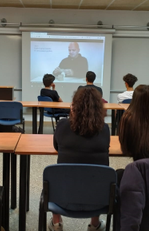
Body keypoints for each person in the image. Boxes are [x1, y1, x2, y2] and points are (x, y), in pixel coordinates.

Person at [51, 88, 109, 231]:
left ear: (74, 106)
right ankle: (95, 224)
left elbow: (57, 146)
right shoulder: (105, 129)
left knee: (53, 178)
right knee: (97, 176)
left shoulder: (63, 125)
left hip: (63, 198)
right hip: (97, 201)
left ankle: (56, 222)